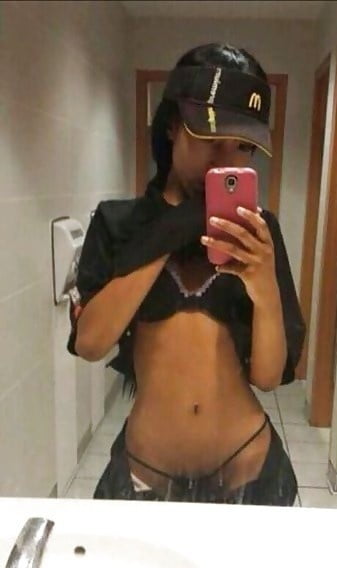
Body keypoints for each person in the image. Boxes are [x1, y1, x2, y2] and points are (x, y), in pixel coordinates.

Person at [68, 43, 305, 504]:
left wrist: (265, 291)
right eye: (210, 140)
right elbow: (90, 343)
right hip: (146, 470)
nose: (226, 161)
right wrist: (175, 226)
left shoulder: (259, 234)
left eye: (242, 147)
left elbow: (268, 377)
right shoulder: (120, 224)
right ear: (172, 126)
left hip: (248, 464)